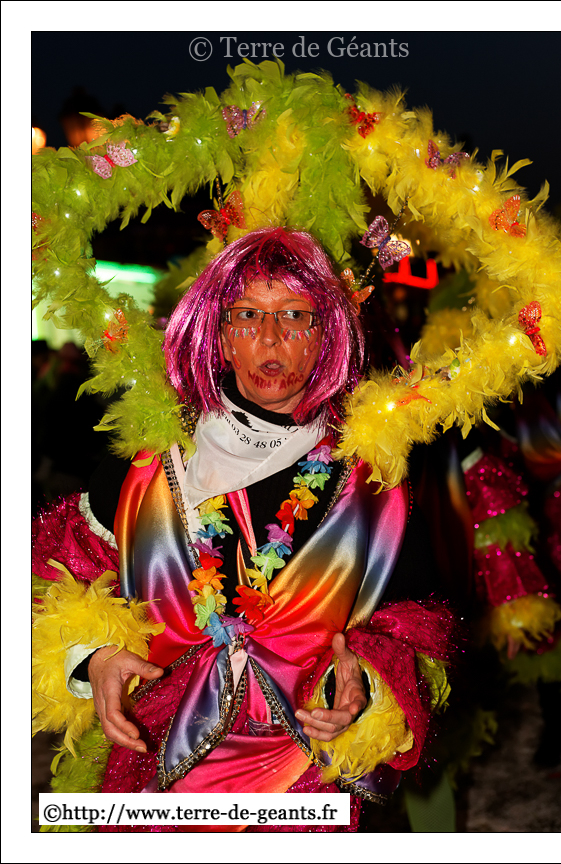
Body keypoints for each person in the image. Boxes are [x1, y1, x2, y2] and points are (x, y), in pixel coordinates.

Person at [32, 228, 454, 833]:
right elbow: (54, 577)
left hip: (301, 785)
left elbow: (414, 623)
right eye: (248, 315)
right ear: (222, 336)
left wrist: (362, 678)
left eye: (295, 315)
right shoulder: (147, 459)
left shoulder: (372, 479)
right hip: (153, 773)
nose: (271, 337)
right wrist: (93, 656)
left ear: (327, 335)